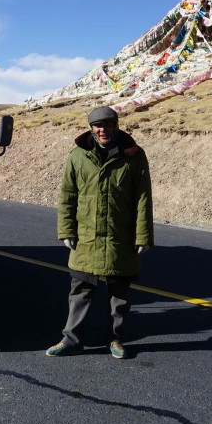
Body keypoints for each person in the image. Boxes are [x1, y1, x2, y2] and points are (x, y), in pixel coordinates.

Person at [45, 106, 154, 359]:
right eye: (97, 126)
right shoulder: (78, 156)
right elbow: (68, 196)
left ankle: (115, 339)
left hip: (121, 236)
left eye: (107, 125)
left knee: (119, 295)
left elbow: (142, 198)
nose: (102, 130)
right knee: (80, 290)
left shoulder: (134, 157)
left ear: (116, 126)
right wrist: (66, 230)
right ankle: (71, 339)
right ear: (91, 129)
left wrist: (143, 236)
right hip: (86, 236)